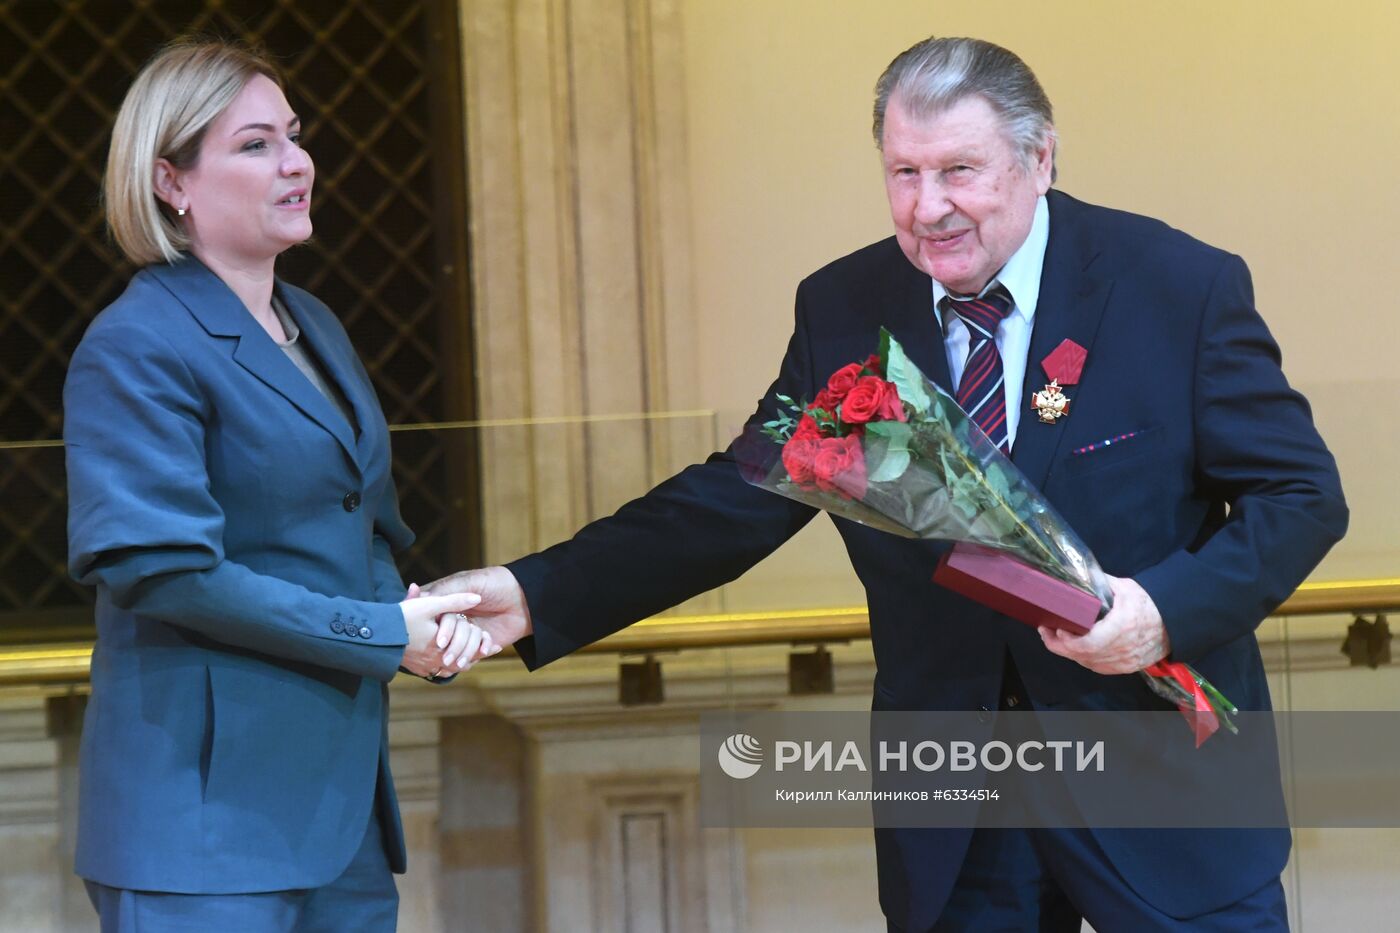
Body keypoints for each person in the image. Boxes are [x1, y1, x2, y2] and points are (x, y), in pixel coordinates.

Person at [427, 36, 1347, 931]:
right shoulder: (846, 307)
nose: (928, 207)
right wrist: (533, 591)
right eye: (904, 173)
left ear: (1041, 159)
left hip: (1163, 778)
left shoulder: (1176, 286)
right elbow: (737, 499)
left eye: (959, 171)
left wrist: (1163, 610)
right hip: (958, 805)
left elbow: (1300, 496)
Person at [64, 39, 494, 931]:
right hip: (202, 832)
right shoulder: (136, 342)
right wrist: (381, 631)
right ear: (170, 182)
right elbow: (162, 569)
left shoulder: (317, 324)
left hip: (340, 824)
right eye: (255, 144)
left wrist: (414, 632)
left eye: (293, 136)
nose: (297, 162)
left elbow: (363, 521)